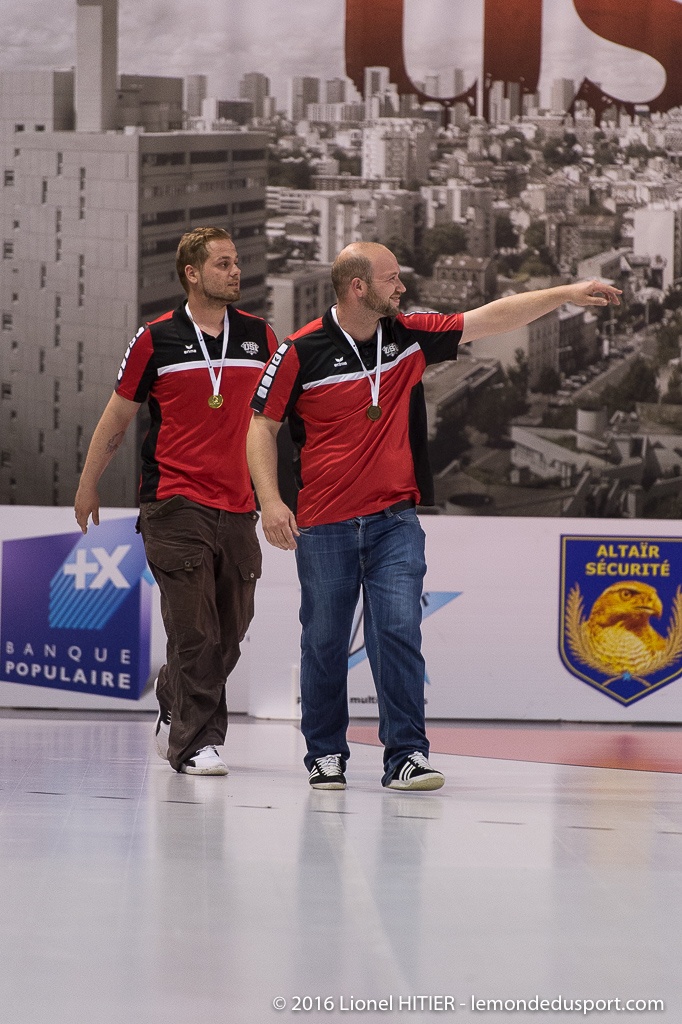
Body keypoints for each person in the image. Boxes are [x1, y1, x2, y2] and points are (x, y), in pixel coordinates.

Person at [246, 241, 621, 792]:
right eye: (392, 279)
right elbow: (261, 427)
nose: (401, 288)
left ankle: (407, 755)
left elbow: (491, 317)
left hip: (396, 520)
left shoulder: (410, 333)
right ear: (358, 288)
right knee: (323, 640)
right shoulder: (300, 351)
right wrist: (271, 501)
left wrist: (568, 293)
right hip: (325, 522)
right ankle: (325, 753)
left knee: (398, 631)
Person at [75, 226, 278, 775]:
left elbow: (282, 418)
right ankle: (196, 744)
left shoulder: (261, 337)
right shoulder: (156, 338)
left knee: (229, 635)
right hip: (173, 503)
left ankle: (172, 699)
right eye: (223, 264)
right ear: (192, 273)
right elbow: (117, 419)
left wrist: (280, 496)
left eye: (236, 263)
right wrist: (88, 482)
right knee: (195, 631)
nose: (236, 272)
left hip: (239, 504)